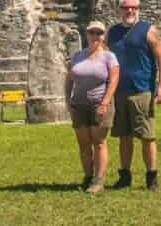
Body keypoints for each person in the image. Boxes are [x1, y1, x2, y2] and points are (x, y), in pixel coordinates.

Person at [107, 0, 161, 192]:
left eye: (134, 7)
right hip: (119, 92)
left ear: (139, 9)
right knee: (124, 136)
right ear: (119, 10)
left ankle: (152, 177)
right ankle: (125, 176)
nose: (130, 11)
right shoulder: (112, 32)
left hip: (142, 90)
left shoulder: (148, 30)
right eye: (126, 8)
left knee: (147, 137)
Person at [65, 20, 119, 194]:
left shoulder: (109, 57)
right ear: (86, 34)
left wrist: (105, 102)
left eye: (99, 33)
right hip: (79, 104)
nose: (95, 36)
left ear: (103, 36)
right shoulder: (78, 56)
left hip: (99, 103)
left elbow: (113, 81)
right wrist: (68, 101)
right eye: (92, 32)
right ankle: (87, 177)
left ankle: (98, 180)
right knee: (83, 143)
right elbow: (69, 79)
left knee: (99, 143)